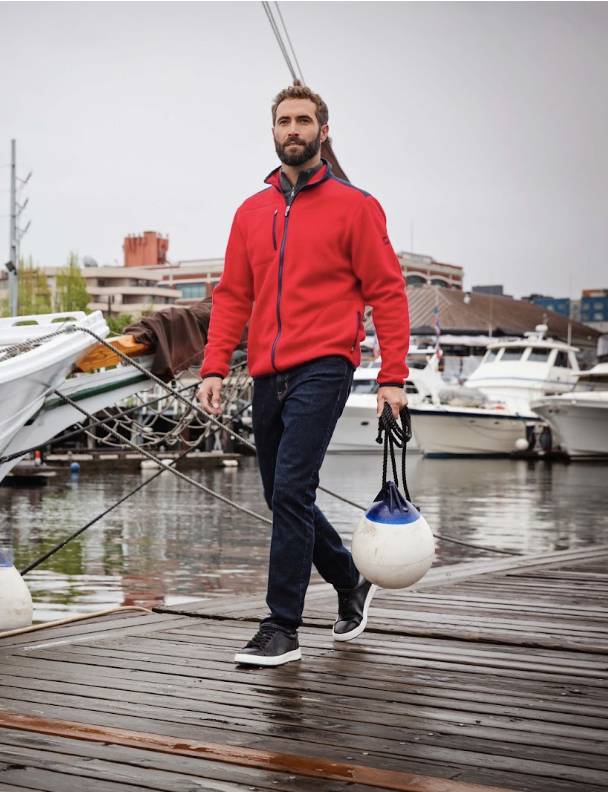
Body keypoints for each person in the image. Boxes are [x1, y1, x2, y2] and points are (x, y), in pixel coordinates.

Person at [197, 85, 410, 667]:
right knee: (279, 493)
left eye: (304, 120)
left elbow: (388, 292)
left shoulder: (356, 206)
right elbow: (232, 296)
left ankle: (281, 626)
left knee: (292, 487)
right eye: (284, 121)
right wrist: (214, 365)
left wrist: (393, 375)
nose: (294, 129)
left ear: (323, 130)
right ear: (273, 131)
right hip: (267, 370)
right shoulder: (250, 212)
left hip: (325, 363)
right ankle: (348, 581)